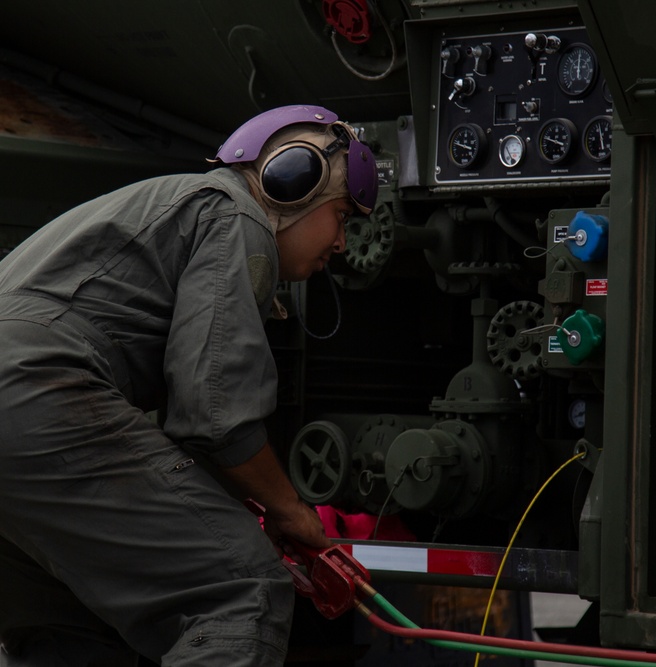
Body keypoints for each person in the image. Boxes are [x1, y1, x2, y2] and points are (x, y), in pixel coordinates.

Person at [0, 104, 377, 665]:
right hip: (35, 393)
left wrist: (236, 503)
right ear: (294, 182)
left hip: (21, 419)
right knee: (242, 588)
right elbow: (215, 413)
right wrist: (289, 509)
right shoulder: (235, 215)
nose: (342, 243)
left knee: (71, 626)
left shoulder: (174, 204)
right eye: (342, 215)